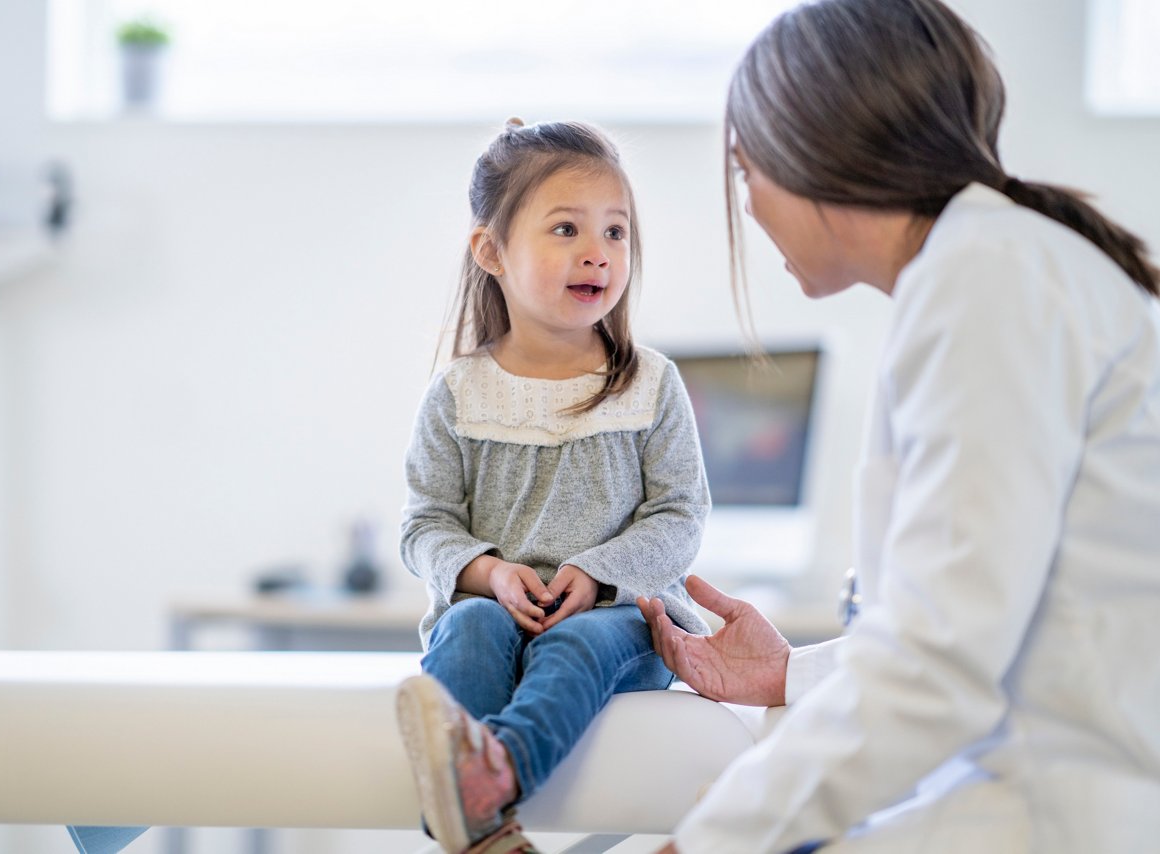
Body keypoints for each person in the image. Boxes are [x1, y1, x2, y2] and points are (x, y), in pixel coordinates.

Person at [636, 1, 1160, 852]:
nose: (751, 206)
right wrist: (793, 674)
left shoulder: (985, 283)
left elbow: (937, 666)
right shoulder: (993, 267)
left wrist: (707, 843)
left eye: (745, 171)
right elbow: (989, 623)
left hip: (1061, 814)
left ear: (816, 146)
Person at [395, 119, 712, 854]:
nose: (598, 252)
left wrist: (594, 574)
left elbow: (680, 516)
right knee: (469, 625)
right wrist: (489, 573)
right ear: (491, 251)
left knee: (573, 644)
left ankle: (492, 783)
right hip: (498, 620)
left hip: (621, 623)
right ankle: (483, 831)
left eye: (616, 232)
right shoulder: (456, 395)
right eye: (567, 228)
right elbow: (425, 526)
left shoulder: (651, 385)